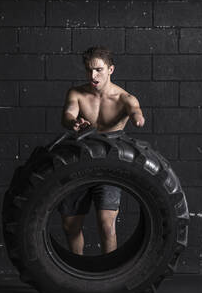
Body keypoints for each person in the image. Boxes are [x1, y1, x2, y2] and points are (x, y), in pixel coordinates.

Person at [58, 46, 145, 255]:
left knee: (106, 226)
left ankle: (108, 277)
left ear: (111, 70)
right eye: (89, 70)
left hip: (108, 165)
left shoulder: (125, 99)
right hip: (80, 162)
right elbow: (68, 114)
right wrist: (73, 124)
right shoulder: (77, 93)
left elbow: (135, 110)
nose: (93, 75)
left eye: (98, 70)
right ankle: (76, 272)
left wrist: (137, 117)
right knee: (70, 226)